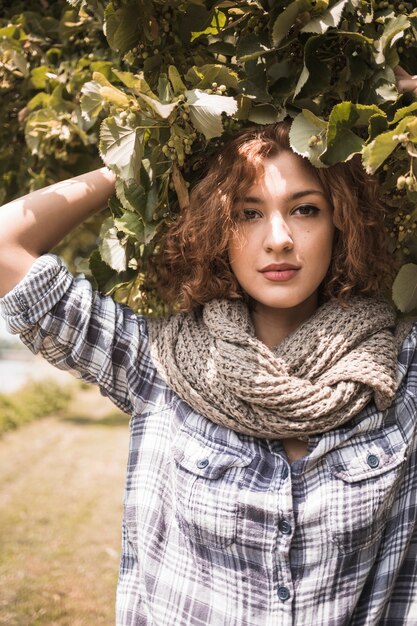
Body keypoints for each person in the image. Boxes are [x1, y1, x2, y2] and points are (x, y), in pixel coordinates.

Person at [1, 105, 417, 625]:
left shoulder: (399, 370)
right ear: (217, 229)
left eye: (305, 209)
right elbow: (4, 245)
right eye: (247, 213)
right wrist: (145, 153)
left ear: (340, 221)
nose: (279, 238)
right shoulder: (155, 364)